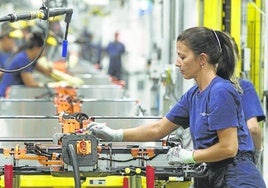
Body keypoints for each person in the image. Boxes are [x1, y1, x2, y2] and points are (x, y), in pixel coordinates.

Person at [88, 27, 266, 187]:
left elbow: (228, 148)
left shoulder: (221, 91)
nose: (177, 63)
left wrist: (188, 156)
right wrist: (115, 135)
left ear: (202, 59)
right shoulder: (194, 94)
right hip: (210, 175)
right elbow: (159, 129)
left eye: (182, 57)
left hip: (235, 178)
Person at [0, 32, 52, 97]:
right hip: (6, 97)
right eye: (43, 50)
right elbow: (31, 84)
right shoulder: (23, 59)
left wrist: (47, 61)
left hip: (13, 95)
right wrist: (50, 86)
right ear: (36, 48)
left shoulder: (31, 59)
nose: (44, 53)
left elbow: (47, 72)